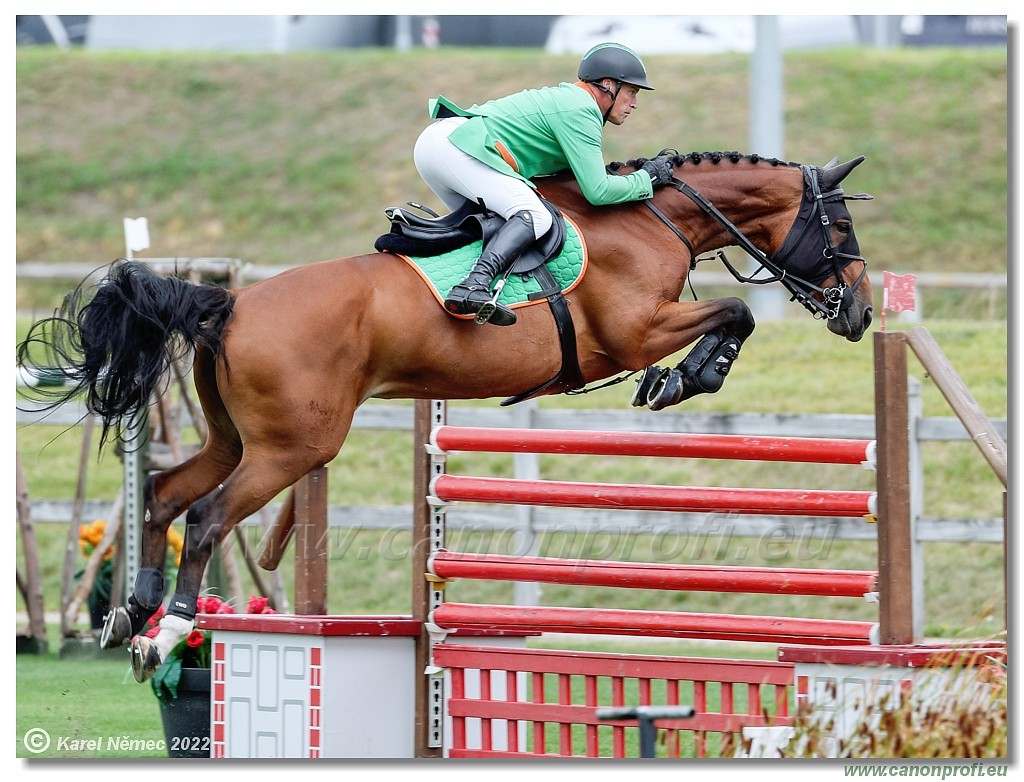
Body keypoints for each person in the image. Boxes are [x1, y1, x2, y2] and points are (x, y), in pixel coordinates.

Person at [414, 42, 675, 326]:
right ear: (608, 85)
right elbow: (598, 191)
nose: (634, 103)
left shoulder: (571, 102)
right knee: (535, 216)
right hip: (457, 147)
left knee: (492, 228)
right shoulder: (582, 108)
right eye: (632, 92)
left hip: (441, 146)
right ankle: (474, 285)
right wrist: (647, 178)